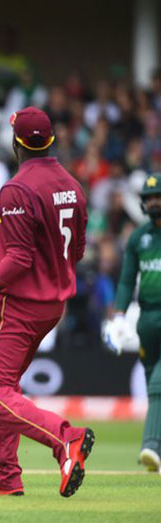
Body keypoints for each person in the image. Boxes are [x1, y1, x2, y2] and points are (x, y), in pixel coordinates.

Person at [0, 107, 93, 497]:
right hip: (53, 304)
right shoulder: (72, 185)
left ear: (16, 143)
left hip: (19, 305)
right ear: (50, 141)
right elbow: (77, 250)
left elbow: (17, 261)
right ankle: (5, 475)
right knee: (6, 387)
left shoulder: (17, 189)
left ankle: (67, 440)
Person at [103, 174, 161, 473]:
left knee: (157, 383)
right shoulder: (140, 237)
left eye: (158, 196)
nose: (154, 202)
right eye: (150, 197)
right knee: (155, 383)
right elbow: (126, 281)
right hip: (148, 318)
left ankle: (151, 446)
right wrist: (119, 316)